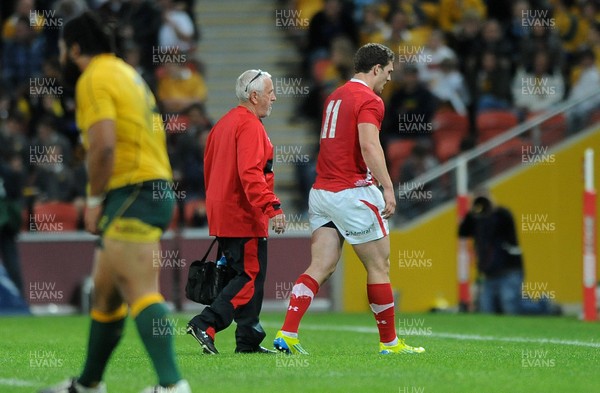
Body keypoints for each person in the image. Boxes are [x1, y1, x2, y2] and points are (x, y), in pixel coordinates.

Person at [40, 12, 190, 393]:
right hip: (148, 185)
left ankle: (173, 385)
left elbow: (104, 146)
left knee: (141, 290)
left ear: (74, 48)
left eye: (62, 48)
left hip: (132, 191)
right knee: (106, 294)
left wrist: (93, 199)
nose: (61, 56)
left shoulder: (93, 78)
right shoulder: (126, 73)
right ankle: (89, 385)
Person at [273, 43, 425, 355]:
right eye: (388, 73)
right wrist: (387, 187)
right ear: (376, 69)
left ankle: (287, 333)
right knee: (380, 265)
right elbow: (369, 145)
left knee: (322, 265)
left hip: (322, 193)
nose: (389, 80)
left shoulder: (335, 96)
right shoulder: (370, 99)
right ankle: (390, 343)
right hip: (352, 192)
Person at [186, 69, 286, 355]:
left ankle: (248, 340)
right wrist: (272, 207)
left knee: (241, 275)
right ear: (254, 97)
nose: (274, 98)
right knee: (250, 277)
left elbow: (211, 170)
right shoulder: (251, 127)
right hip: (245, 216)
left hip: (224, 213)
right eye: (270, 93)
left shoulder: (222, 124)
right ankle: (206, 323)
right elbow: (251, 175)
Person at [458, 191, 560, 315]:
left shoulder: (502, 215)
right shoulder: (476, 220)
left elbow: (506, 223)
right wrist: (472, 210)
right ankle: (529, 301)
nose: (482, 205)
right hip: (490, 275)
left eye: (484, 200)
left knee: (511, 308)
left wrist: (492, 207)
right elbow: (462, 232)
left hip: (510, 270)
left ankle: (545, 306)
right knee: (486, 311)